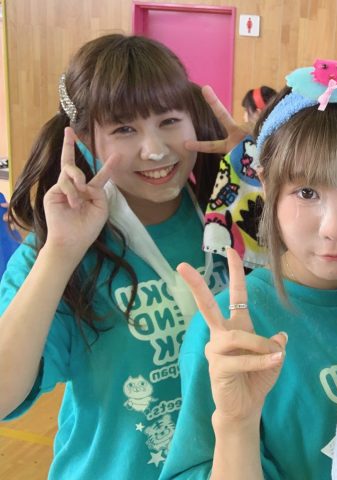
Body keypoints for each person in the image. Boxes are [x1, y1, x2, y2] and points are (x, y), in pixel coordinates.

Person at [161, 59, 337, 479]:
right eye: (306, 192)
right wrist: (237, 424)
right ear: (267, 186)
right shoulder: (229, 331)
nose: (334, 228)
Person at [0, 34, 231, 479]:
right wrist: (60, 254)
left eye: (169, 120)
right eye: (124, 129)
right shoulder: (61, 248)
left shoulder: (231, 221)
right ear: (86, 139)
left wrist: (256, 168)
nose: (155, 149)